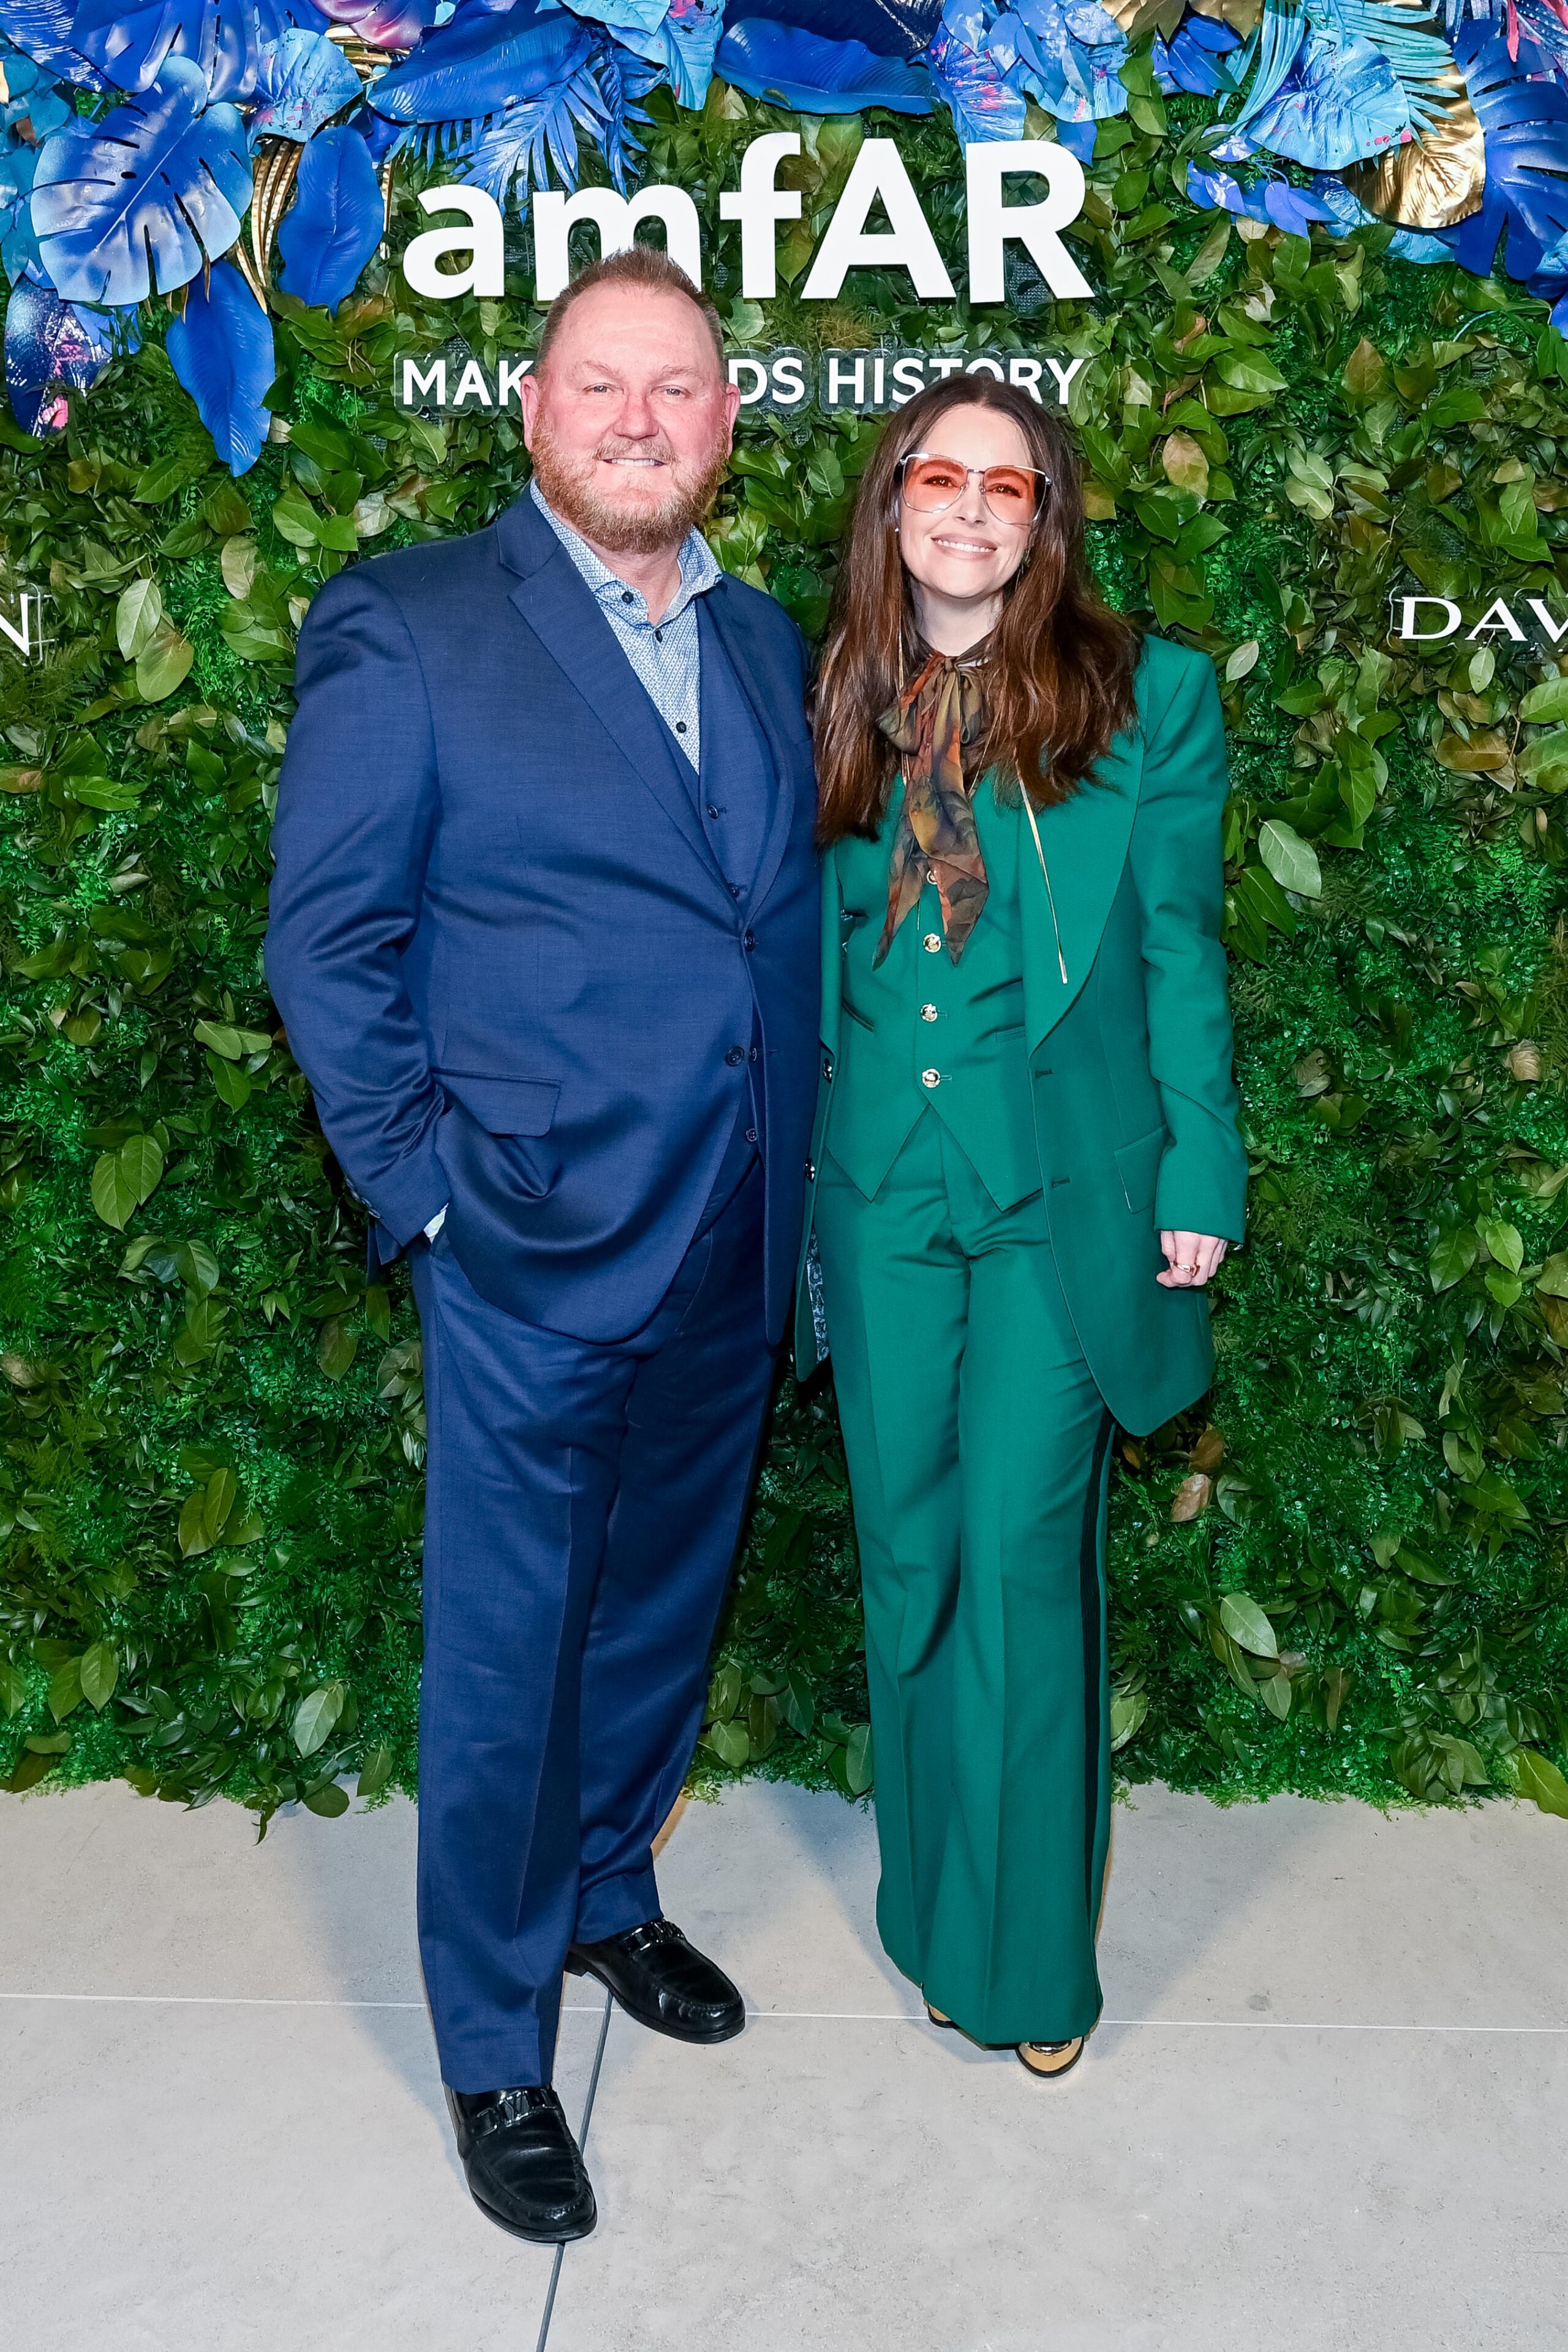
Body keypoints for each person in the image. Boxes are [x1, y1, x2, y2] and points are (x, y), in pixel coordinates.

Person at [266, 246, 820, 2241]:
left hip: (735, 1236)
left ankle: (604, 1899)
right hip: (524, 1244)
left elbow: (766, 929)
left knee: (660, 1610)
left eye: (680, 389)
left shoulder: (763, 637)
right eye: (605, 384)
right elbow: (329, 944)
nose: (642, 419)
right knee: (510, 1651)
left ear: (727, 426)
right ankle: (495, 2040)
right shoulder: (411, 624)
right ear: (534, 408)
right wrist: (421, 1191)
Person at [800, 376, 1245, 2081]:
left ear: (1046, 516)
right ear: (894, 500)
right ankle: (935, 1909)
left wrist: (1202, 1170)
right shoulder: (821, 687)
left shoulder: (1152, 701)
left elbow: (1183, 953)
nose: (973, 507)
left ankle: (1032, 1963)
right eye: (941, 476)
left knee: (1020, 1564)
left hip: (1057, 1202)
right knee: (909, 1552)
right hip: (876, 1194)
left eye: (1012, 483)